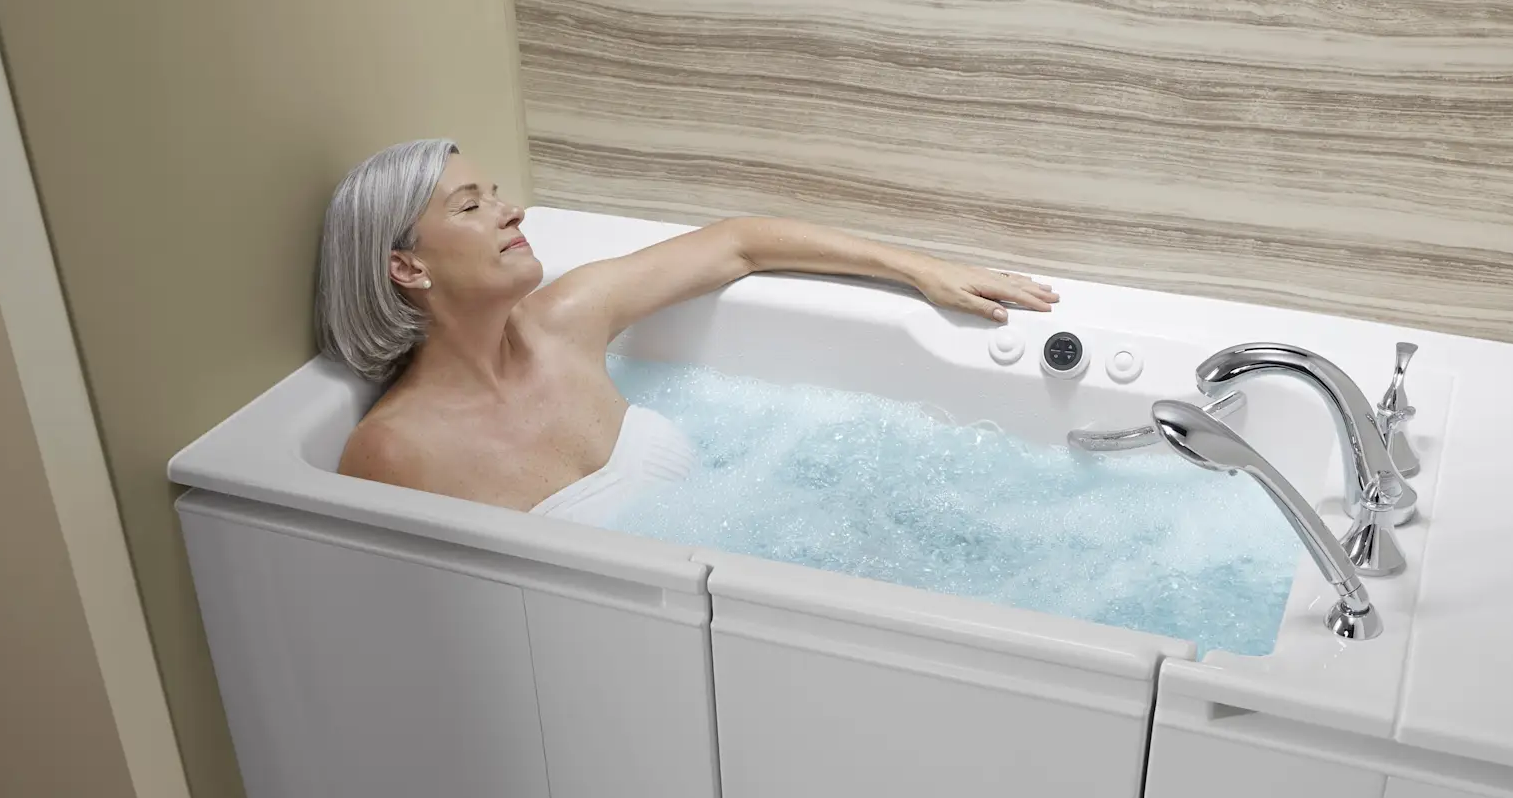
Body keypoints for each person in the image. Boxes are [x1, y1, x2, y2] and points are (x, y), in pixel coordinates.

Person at [315, 138, 1059, 524]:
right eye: (471, 206)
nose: (511, 211)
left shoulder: (566, 321)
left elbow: (739, 243)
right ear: (407, 267)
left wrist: (917, 268)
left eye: (498, 195)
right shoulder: (392, 451)